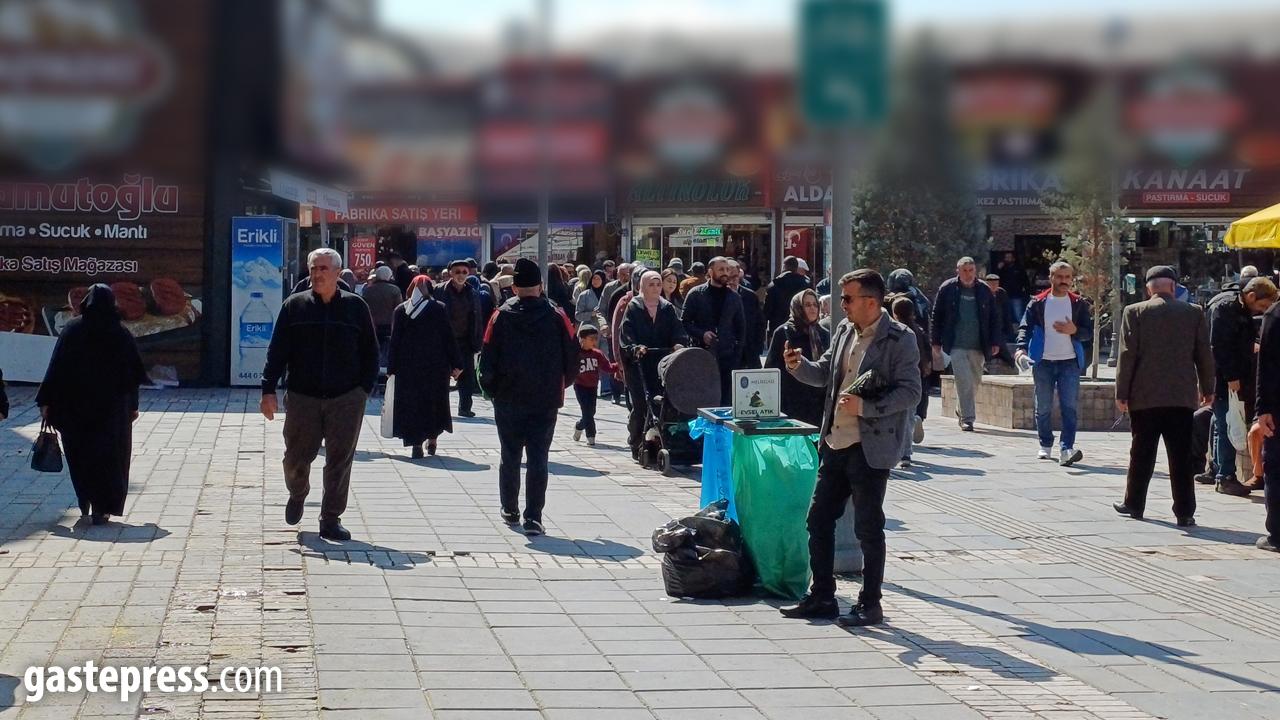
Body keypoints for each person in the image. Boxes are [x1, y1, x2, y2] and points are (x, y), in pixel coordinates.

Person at [779, 269, 922, 627]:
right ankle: (822, 596)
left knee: (868, 527)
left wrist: (867, 408)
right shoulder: (844, 330)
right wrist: (799, 368)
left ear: (871, 302)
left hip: (870, 446)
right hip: (835, 440)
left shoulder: (899, 339)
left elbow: (911, 392)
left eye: (847, 299)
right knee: (818, 519)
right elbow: (827, 373)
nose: (841, 306)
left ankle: (870, 603)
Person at [261, 248, 379, 541]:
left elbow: (371, 352)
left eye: (323, 268)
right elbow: (277, 352)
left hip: (346, 397)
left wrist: (363, 390)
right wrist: (268, 389)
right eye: (313, 268)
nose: (316, 274)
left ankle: (330, 518)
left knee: (340, 460)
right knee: (295, 459)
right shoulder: (294, 307)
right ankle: (298, 492)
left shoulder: (356, 307)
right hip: (303, 397)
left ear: (338, 273)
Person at [479, 259, 578, 536]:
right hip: (545, 399)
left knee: (509, 455)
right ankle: (533, 517)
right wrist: (560, 384)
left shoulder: (500, 315)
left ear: (514, 287)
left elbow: (486, 358)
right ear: (540, 286)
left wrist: (491, 389)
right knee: (538, 458)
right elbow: (573, 355)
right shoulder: (557, 315)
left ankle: (509, 508)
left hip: (508, 398)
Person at [36, 284, 148, 524]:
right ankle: (104, 506)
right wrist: (133, 406)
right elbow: (133, 375)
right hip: (112, 411)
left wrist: (46, 401)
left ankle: (85, 497)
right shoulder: (120, 333)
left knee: (81, 454)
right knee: (111, 457)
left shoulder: (72, 330)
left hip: (76, 409)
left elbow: (57, 368)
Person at [1113, 265, 1214, 527]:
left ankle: (1134, 503)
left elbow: (1127, 355)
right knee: (1180, 456)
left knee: (1142, 451)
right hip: (1181, 397)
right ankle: (1185, 511)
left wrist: (1122, 392)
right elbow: (1204, 354)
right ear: (1173, 286)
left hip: (1144, 397)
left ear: (1148, 288)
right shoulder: (1193, 313)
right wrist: (1208, 389)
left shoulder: (1134, 312)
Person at [1014, 261, 1093, 465]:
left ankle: (1067, 448)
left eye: (1067, 277)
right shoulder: (1038, 302)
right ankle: (1045, 444)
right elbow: (1025, 327)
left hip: (1069, 362)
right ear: (1051, 278)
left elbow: (1088, 333)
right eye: (1059, 277)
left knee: (1069, 407)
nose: (1064, 281)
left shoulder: (1078, 303)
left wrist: (1074, 330)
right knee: (1044, 407)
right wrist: (1021, 348)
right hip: (1043, 362)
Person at [1205, 277, 1276, 496]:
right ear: (1252, 296)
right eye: (1262, 306)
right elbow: (1220, 345)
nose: (1261, 311)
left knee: (1222, 422)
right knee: (1228, 423)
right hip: (1227, 379)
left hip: (1235, 376)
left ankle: (1219, 471)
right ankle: (1225, 475)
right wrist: (1231, 376)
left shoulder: (1242, 310)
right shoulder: (1226, 309)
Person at [388, 276, 463, 458]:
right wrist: (457, 364)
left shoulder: (401, 310)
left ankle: (415, 442)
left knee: (413, 404)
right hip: (435, 367)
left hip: (408, 368)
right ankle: (432, 438)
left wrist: (391, 368)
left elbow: (394, 342)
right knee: (434, 403)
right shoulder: (439, 308)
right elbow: (448, 338)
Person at [619, 270, 690, 459]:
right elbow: (626, 335)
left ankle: (660, 441)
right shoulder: (634, 307)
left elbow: (678, 330)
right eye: (651, 284)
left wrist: (678, 343)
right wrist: (635, 348)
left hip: (662, 362)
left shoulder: (667, 308)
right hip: (639, 363)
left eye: (658, 284)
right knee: (641, 404)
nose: (656, 288)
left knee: (662, 403)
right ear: (642, 286)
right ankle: (636, 440)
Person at [931, 256, 1002, 431]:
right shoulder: (947, 289)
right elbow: (937, 315)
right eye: (964, 270)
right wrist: (935, 341)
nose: (968, 274)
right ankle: (968, 419)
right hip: (955, 344)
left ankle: (960, 409)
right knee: (963, 379)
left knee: (975, 381)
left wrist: (995, 340)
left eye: (971, 270)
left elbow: (994, 317)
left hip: (979, 344)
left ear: (975, 271)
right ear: (958, 271)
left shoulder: (984, 290)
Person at [682, 256, 745, 404]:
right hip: (701, 356)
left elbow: (741, 328)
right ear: (710, 272)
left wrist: (737, 355)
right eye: (721, 269)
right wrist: (701, 334)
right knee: (703, 399)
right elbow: (685, 322)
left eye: (727, 269)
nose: (725, 273)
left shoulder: (734, 297)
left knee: (726, 400)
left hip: (727, 357)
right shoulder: (696, 294)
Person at [764, 288, 830, 428]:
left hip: (818, 402)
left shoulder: (823, 333)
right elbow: (771, 369)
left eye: (815, 304)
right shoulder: (784, 332)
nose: (812, 308)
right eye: (807, 305)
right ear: (798, 308)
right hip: (792, 400)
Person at [434, 259, 484, 418]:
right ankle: (440, 408)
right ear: (450, 273)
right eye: (457, 272)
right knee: (441, 376)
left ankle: (465, 407)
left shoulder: (473, 293)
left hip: (465, 340)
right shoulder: (439, 291)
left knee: (467, 376)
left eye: (464, 272)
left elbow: (477, 318)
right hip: (444, 341)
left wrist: (477, 340)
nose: (461, 275)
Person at [890, 295, 932, 467]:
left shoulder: (894, 332)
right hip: (917, 380)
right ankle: (906, 451)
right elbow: (927, 355)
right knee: (907, 417)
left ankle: (902, 452)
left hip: (897, 380)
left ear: (894, 313)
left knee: (897, 417)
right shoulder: (918, 330)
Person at [1254, 295, 1280, 552]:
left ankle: (1277, 534)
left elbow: (1267, 365)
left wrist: (1263, 409)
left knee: (1276, 467)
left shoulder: (1275, 314)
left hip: (1278, 407)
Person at [572, 325, 618, 446]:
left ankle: (579, 425)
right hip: (580, 386)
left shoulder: (597, 354)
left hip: (592, 387)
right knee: (586, 410)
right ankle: (591, 436)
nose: (594, 342)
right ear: (582, 339)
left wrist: (619, 366)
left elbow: (607, 367)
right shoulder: (575, 353)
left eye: (596, 339)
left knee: (591, 412)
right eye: (591, 339)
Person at [362, 265, 404, 369]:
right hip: (390, 327)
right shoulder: (395, 290)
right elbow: (400, 309)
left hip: (372, 326)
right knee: (388, 352)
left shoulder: (368, 290)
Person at [763, 256, 812, 339]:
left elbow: (767, 311)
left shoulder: (774, 285)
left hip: (778, 328)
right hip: (800, 328)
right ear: (796, 268)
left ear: (784, 266)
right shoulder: (806, 284)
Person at [731, 260, 766, 370]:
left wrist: (758, 347)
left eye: (735, 277)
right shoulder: (718, 296)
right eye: (728, 278)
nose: (731, 281)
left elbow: (760, 323)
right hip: (727, 353)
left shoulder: (750, 296)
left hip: (749, 351)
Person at [985, 272, 1017, 368]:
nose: (994, 286)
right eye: (992, 284)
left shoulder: (1001, 293)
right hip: (987, 327)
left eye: (996, 283)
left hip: (999, 326)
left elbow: (1006, 311)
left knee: (1001, 345)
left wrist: (1008, 327)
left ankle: (1011, 364)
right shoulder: (982, 293)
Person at [996, 251, 1030, 324]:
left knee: (1018, 314)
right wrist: (998, 269)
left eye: (1009, 257)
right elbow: (997, 279)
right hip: (1005, 295)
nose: (1007, 259)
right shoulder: (1003, 269)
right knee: (1007, 315)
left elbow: (1025, 280)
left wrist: (1026, 291)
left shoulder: (1019, 268)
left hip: (1016, 295)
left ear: (1013, 259)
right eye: (1006, 258)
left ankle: (1023, 331)